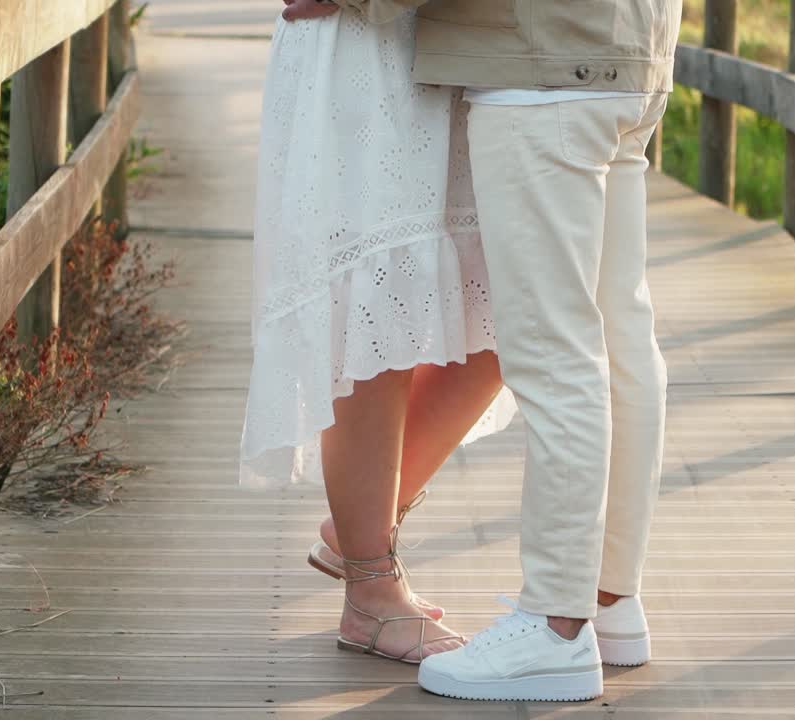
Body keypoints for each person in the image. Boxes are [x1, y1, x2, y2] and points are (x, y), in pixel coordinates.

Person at [290, 0, 682, 702]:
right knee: (622, 333)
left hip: (545, 60)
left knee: (554, 351)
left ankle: (556, 628)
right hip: (630, 52)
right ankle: (612, 601)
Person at [240, 0, 515, 663]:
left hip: (470, 48)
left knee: (515, 307)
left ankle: (357, 533)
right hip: (368, 54)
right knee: (378, 307)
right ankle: (370, 591)